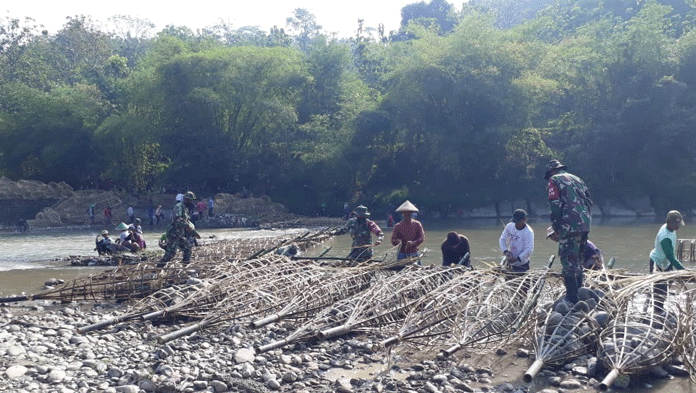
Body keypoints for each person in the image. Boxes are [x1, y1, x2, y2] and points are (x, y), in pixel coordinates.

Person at [545, 159, 593, 304]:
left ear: (552, 171)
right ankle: (580, 291)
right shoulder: (579, 179)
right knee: (578, 259)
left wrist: (556, 226)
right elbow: (589, 202)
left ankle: (572, 296)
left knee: (567, 260)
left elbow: (555, 205)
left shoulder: (554, 180)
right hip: (584, 224)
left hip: (569, 224)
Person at [649, 210, 685, 313]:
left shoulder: (670, 229)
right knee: (660, 288)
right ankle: (657, 310)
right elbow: (671, 257)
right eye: (676, 224)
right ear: (670, 223)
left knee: (668, 283)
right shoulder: (665, 237)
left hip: (665, 262)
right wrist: (683, 270)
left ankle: (660, 306)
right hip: (659, 262)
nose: (678, 227)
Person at [159, 191, 197, 265]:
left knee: (188, 248)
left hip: (180, 234)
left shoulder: (185, 208)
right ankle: (158, 268)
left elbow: (186, 221)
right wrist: (187, 226)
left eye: (192, 200)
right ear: (186, 199)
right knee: (170, 254)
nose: (191, 202)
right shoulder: (179, 206)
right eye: (190, 200)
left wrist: (191, 229)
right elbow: (177, 219)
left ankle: (185, 266)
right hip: (174, 234)